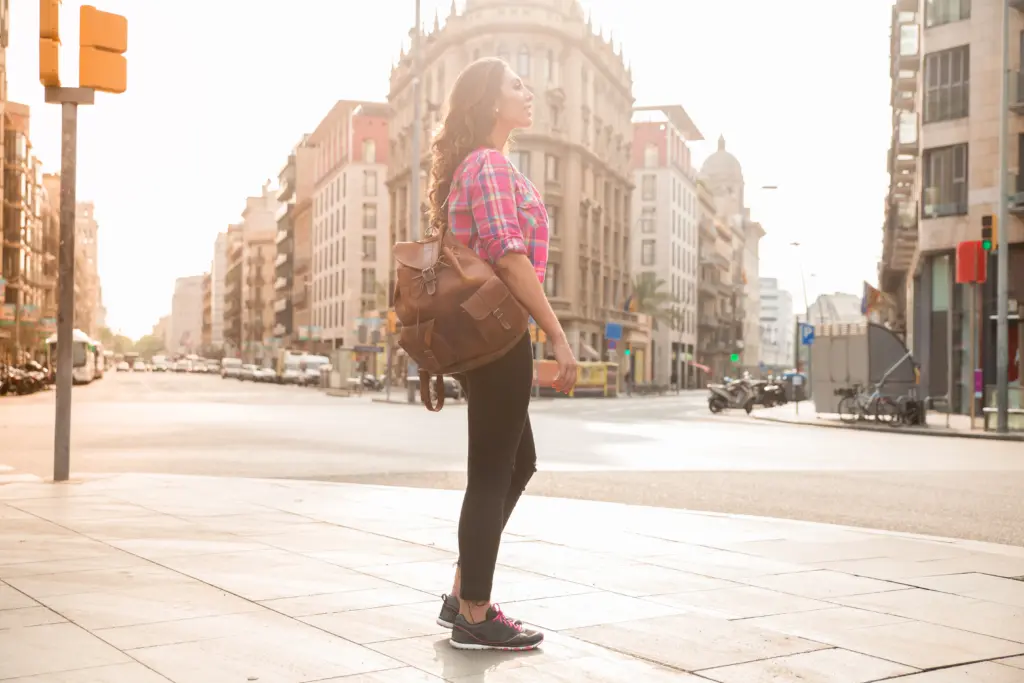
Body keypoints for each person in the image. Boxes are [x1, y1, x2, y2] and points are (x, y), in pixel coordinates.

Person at [424, 57, 578, 651]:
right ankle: (475, 611)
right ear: (492, 103)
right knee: (492, 471)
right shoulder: (487, 164)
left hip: (495, 333)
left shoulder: (486, 163)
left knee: (515, 463)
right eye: (516, 85)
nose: (529, 91)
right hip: (497, 334)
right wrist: (557, 336)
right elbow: (509, 256)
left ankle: (465, 590)